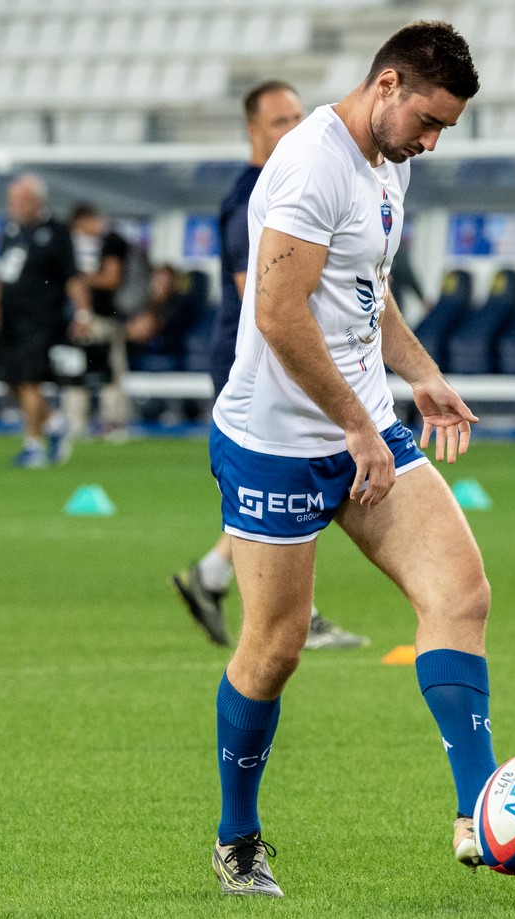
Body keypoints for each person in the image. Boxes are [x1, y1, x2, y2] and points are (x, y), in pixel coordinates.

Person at [204, 23, 515, 898]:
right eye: (427, 120)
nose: (431, 141)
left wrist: (419, 376)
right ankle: (237, 837)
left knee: (460, 592)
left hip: (363, 423)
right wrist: (353, 424)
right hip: (276, 440)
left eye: (445, 129)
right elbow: (278, 315)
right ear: (386, 84)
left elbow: (363, 287)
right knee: (273, 647)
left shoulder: (391, 162)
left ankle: (483, 819)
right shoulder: (311, 166)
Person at [172, 80, 369, 653]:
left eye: (297, 117)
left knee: (287, 487)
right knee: (290, 482)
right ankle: (294, 616)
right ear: (253, 131)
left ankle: (211, 579)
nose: (293, 128)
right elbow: (262, 294)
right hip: (255, 363)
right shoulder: (251, 197)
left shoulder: (301, 174)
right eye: (279, 121)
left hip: (281, 357)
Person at [0, 174, 90, 468]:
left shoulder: (56, 232)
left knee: (30, 381)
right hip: (11, 319)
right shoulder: (11, 231)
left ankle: (33, 446)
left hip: (41, 319)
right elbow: (0, 273)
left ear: (36, 201)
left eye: (19, 201)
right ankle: (55, 424)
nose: (13, 207)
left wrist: (82, 313)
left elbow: (73, 277)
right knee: (12, 382)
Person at [63, 203, 132, 443]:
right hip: (92, 317)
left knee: (108, 371)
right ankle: (77, 422)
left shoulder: (112, 241)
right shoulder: (102, 243)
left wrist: (80, 278)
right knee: (79, 371)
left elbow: (113, 278)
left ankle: (112, 422)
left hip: (104, 317)